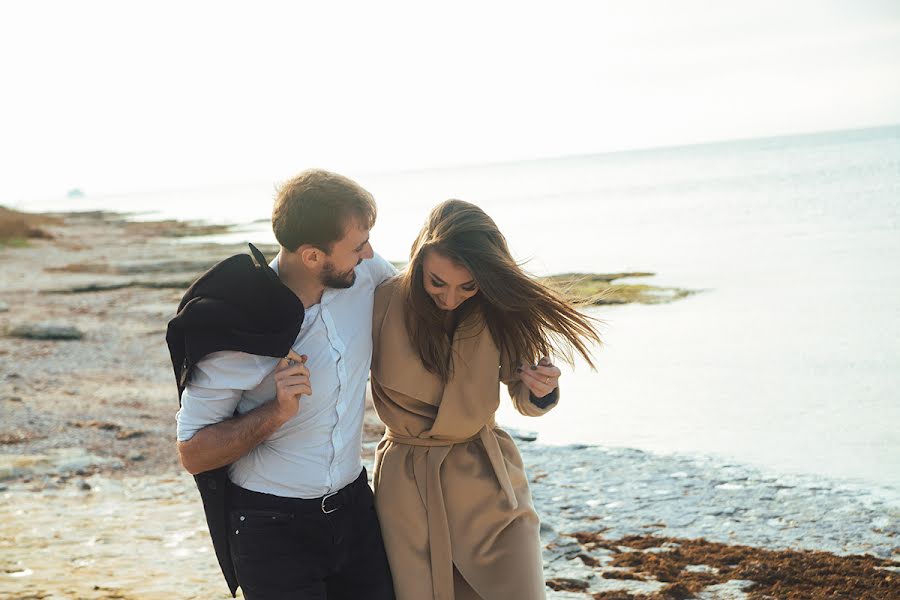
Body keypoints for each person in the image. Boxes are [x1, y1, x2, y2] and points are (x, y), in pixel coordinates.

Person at [170, 169, 396, 599]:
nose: (369, 253)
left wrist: (521, 368)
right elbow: (193, 453)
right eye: (357, 245)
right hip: (272, 528)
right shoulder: (235, 331)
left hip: (356, 510)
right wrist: (276, 412)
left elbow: (429, 307)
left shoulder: (363, 276)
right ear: (312, 256)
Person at [370, 199, 601, 599]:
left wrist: (540, 388)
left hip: (486, 483)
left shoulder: (501, 309)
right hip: (408, 486)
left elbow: (526, 396)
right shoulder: (382, 302)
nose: (450, 297)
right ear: (419, 260)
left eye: (468, 286)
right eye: (437, 282)